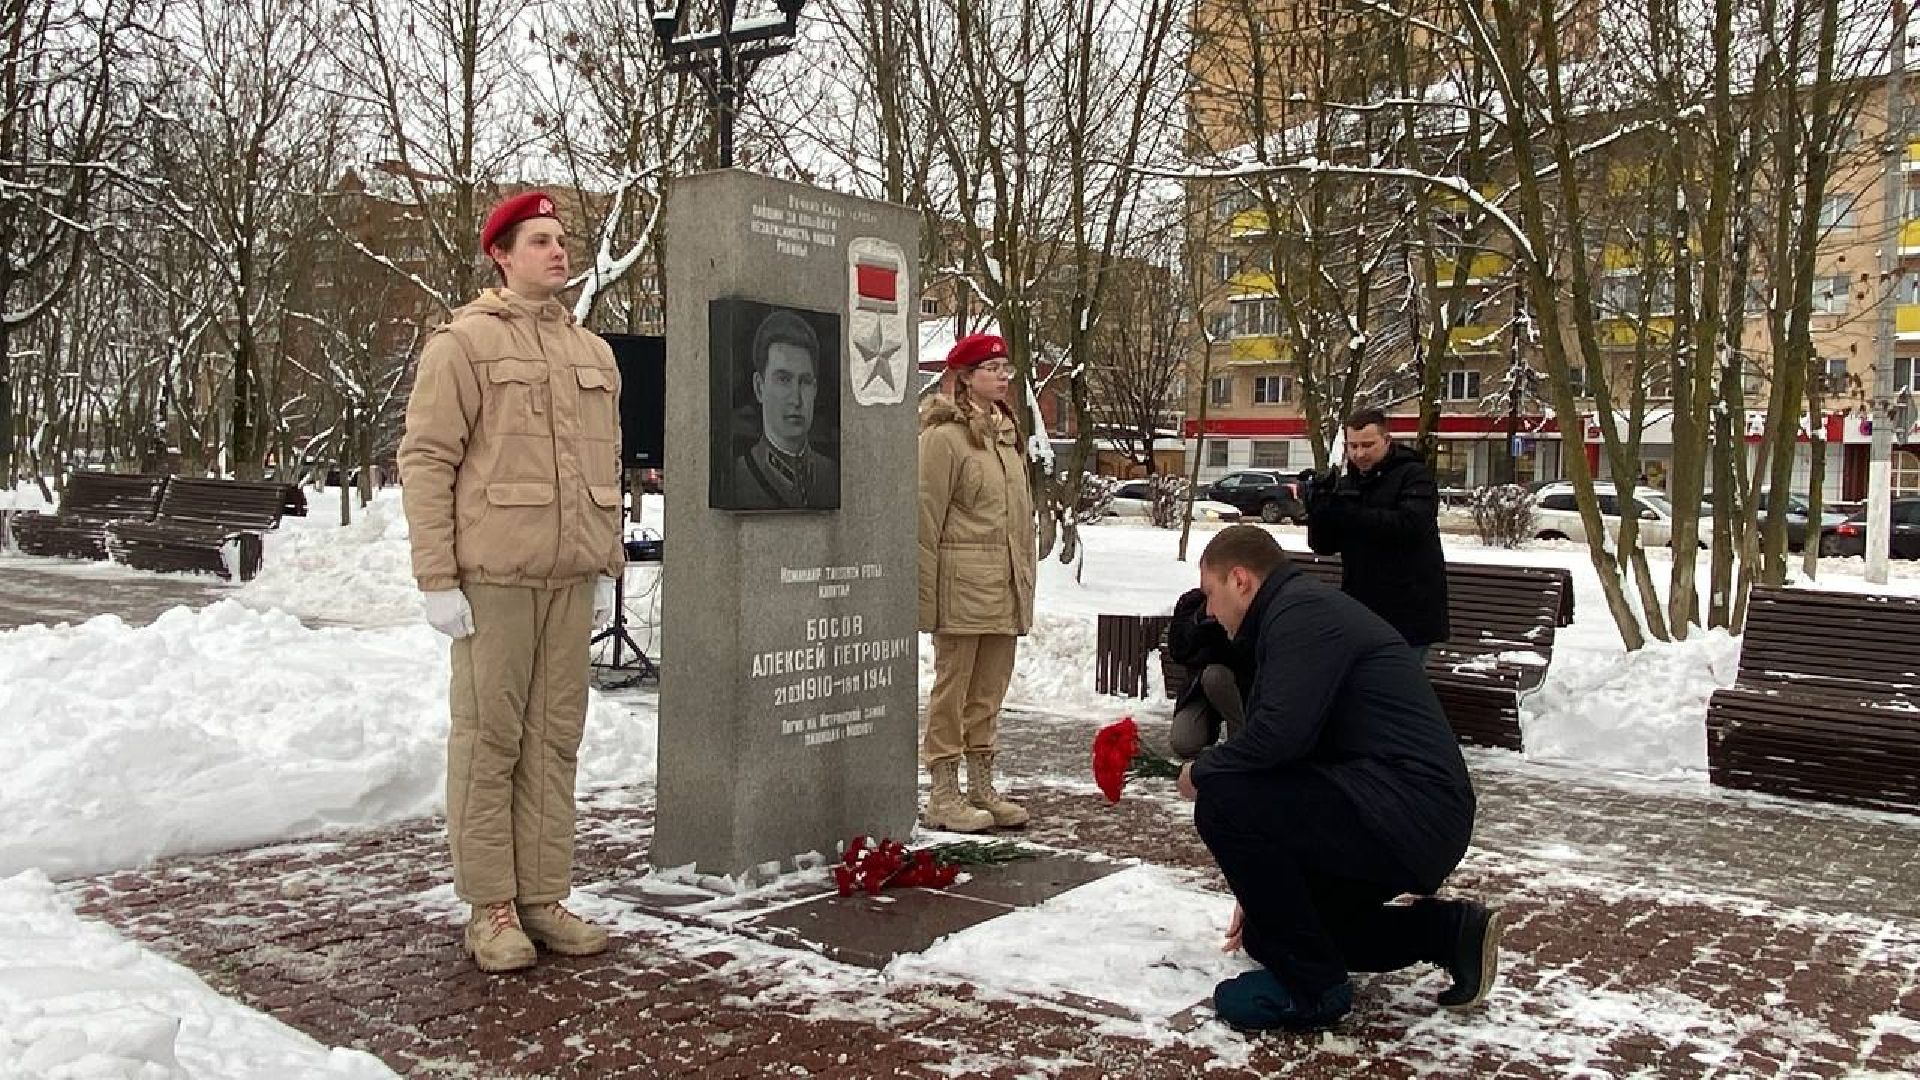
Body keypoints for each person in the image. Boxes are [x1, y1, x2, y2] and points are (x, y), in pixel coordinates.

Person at [398, 191, 626, 974]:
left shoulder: (592, 353)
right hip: (494, 576)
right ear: (500, 254)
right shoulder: (463, 344)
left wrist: (604, 561)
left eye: (561, 240)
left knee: (555, 741)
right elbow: (427, 460)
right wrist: (437, 576)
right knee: (490, 740)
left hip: (569, 577)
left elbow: (604, 465)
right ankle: (490, 904)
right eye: (539, 241)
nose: (558, 252)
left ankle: (543, 895)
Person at [1176, 525, 1499, 1033]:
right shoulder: (1295, 613)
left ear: (1240, 580)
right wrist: (1262, 889)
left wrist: (1202, 771)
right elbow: (1293, 753)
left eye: (1210, 594)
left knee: (1222, 798)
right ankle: (1447, 933)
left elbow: (1278, 738)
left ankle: (1312, 991)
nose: (1210, 613)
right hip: (1397, 808)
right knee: (1274, 933)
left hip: (1405, 807)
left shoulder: (1300, 616)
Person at [917, 333, 1037, 833]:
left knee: (989, 692)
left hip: (1003, 587)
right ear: (965, 377)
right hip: (961, 589)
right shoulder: (944, 438)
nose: (1003, 376)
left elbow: (1018, 521)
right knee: (953, 691)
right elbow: (924, 519)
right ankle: (944, 793)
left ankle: (982, 784)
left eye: (1006, 368)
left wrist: (1023, 583)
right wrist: (925, 600)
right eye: (992, 368)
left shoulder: (1007, 436)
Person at [1305, 408, 1450, 656]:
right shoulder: (1347, 482)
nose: (1359, 453)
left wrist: (1346, 512)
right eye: (1353, 446)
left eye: (1368, 445)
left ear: (1387, 440)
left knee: (1399, 678)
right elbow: (1324, 546)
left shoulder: (1414, 475)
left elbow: (1409, 526)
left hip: (1409, 613)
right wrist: (1319, 510)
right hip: (1361, 610)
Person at [730, 310, 839, 510]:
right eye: (783, 380)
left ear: (815, 389)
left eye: (805, 382)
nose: (796, 399)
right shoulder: (736, 479)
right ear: (759, 388)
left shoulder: (832, 475)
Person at [1165, 586, 1251, 759]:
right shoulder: (1192, 602)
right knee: (1183, 742)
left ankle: (1242, 739)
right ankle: (1210, 728)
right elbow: (1178, 651)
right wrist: (1201, 624)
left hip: (1240, 688)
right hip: (1199, 687)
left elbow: (1245, 655)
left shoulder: (1246, 604)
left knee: (1215, 675)